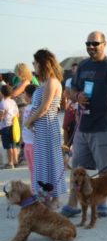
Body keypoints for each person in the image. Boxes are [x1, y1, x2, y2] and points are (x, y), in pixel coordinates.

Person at [60, 31, 107, 217]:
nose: (91, 47)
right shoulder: (83, 65)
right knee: (77, 169)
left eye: (95, 43)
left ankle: (102, 203)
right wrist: (77, 96)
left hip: (104, 124)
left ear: (104, 44)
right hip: (83, 125)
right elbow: (71, 87)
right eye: (88, 43)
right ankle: (72, 204)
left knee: (104, 169)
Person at [24, 49, 66, 209]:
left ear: (42, 63)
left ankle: (52, 198)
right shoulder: (45, 82)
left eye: (35, 62)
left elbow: (45, 107)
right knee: (43, 162)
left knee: (50, 161)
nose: (33, 65)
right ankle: (46, 196)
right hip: (42, 127)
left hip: (47, 126)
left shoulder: (52, 82)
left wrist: (28, 122)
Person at [11, 63, 39, 166]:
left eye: (17, 71)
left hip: (23, 108)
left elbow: (14, 93)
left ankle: (22, 156)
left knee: (23, 133)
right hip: (18, 108)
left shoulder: (26, 82)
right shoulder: (20, 82)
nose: (16, 74)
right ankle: (21, 156)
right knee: (20, 133)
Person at [0, 84, 19, 169]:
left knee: (8, 146)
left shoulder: (2, 103)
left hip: (5, 126)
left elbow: (1, 115)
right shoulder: (13, 102)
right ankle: (15, 161)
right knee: (14, 144)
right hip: (13, 126)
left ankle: (10, 163)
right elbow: (17, 114)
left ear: (2, 93)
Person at [21, 84, 36, 188]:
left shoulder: (34, 108)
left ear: (28, 95)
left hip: (33, 143)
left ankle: (37, 188)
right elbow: (24, 124)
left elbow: (33, 125)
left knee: (35, 168)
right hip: (27, 142)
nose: (23, 95)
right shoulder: (26, 108)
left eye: (24, 93)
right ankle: (33, 187)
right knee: (30, 168)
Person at [62, 63, 78, 147]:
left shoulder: (82, 80)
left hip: (79, 107)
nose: (73, 70)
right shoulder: (69, 81)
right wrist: (74, 98)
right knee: (65, 126)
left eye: (75, 68)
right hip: (70, 105)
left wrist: (75, 98)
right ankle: (66, 145)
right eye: (72, 69)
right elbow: (66, 93)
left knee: (78, 127)